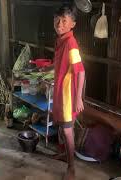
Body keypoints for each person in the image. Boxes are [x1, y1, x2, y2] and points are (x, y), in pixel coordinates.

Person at [52, 4, 85, 180]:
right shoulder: (61, 40)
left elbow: (81, 71)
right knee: (63, 128)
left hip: (68, 97)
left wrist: (78, 98)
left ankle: (71, 168)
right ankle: (66, 155)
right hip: (60, 93)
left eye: (64, 21)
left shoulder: (70, 43)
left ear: (73, 24)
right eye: (57, 20)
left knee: (67, 131)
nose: (59, 24)